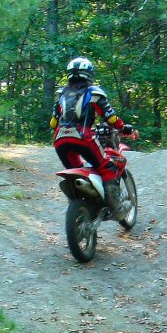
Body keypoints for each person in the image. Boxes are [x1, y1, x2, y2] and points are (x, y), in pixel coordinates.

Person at [50, 57, 135, 218]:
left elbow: (53, 123)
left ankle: (81, 209)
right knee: (108, 167)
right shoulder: (94, 93)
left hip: (60, 139)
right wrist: (123, 128)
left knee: (76, 171)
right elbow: (110, 118)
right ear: (88, 74)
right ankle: (116, 208)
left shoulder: (61, 94)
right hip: (83, 137)